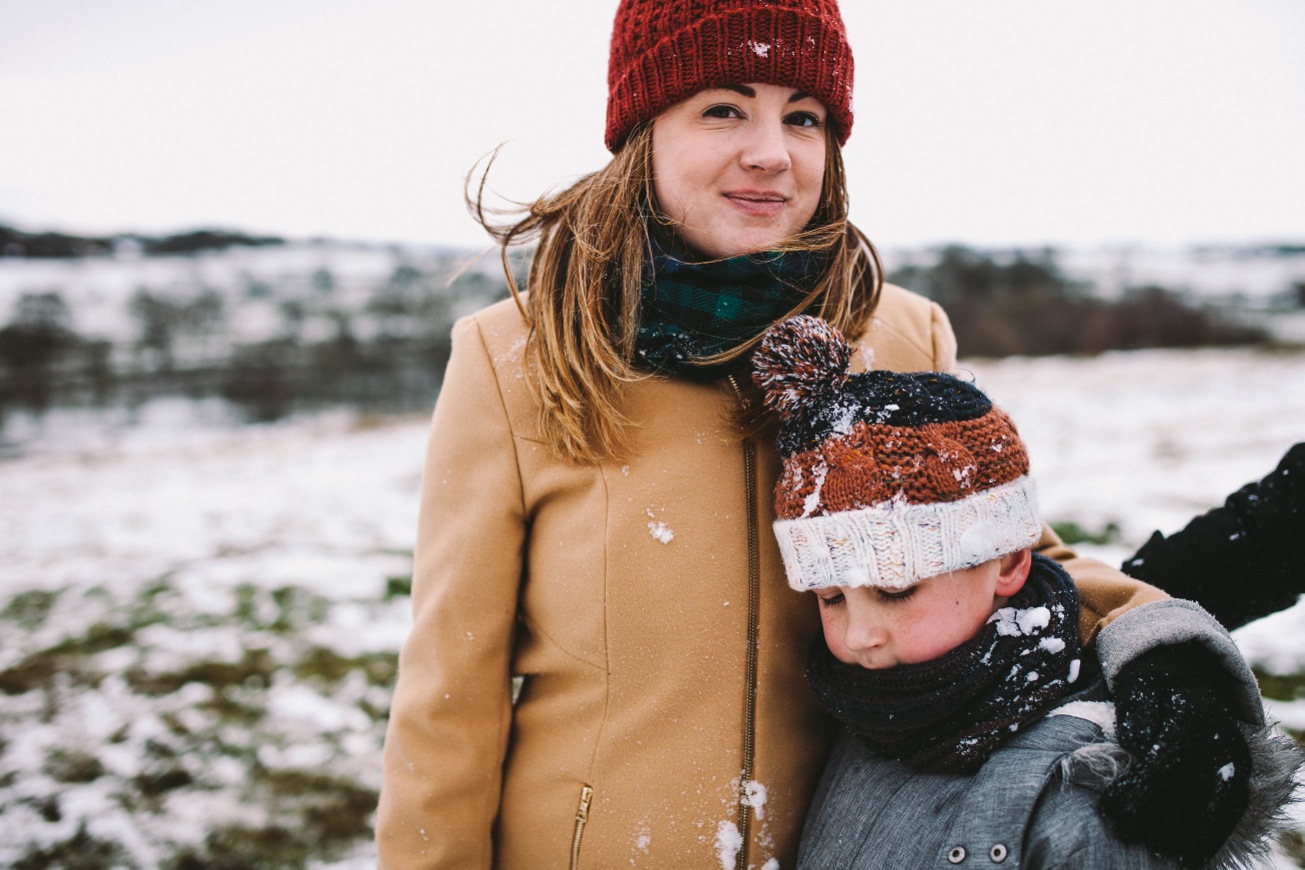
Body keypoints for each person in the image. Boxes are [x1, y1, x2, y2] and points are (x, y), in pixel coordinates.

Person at [375, 2, 1266, 867]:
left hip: (855, 842)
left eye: (802, 118)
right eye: (722, 108)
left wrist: (1156, 645)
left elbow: (1006, 554)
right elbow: (451, 694)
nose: (769, 153)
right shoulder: (514, 359)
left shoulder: (900, 334)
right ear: (642, 131)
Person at [748, 315, 1303, 869]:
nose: (859, 635)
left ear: (1010, 559)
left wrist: (1156, 636)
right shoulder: (865, 709)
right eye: (829, 598)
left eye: (895, 591)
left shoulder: (1080, 804)